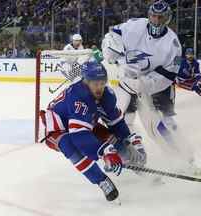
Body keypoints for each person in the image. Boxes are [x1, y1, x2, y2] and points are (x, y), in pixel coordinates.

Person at [40, 61, 146, 202]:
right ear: (86, 82)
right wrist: (104, 152)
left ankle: (135, 164)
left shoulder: (107, 94)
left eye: (102, 83)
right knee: (69, 145)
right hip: (58, 127)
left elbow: (116, 123)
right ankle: (101, 180)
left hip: (83, 122)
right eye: (95, 83)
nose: (99, 88)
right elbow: (79, 138)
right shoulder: (78, 97)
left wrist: (127, 140)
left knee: (111, 139)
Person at [102, 0, 181, 130]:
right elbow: (113, 33)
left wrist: (145, 83)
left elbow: (170, 74)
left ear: (167, 19)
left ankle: (174, 136)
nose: (156, 20)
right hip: (130, 78)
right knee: (126, 114)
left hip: (157, 84)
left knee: (165, 118)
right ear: (149, 15)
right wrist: (111, 49)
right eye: (153, 16)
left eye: (160, 17)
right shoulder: (135, 24)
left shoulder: (173, 44)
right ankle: (128, 137)